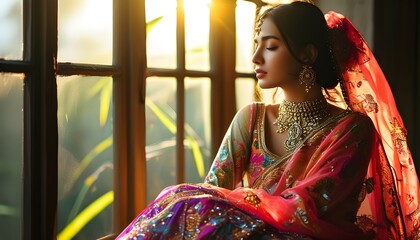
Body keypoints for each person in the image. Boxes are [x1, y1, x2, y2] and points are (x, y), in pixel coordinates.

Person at [116, 2, 419, 239]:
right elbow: (211, 191)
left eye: (271, 46)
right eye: (257, 44)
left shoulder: (351, 129)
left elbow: (312, 207)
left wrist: (239, 213)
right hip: (248, 230)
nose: (255, 58)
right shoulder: (251, 118)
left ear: (308, 54)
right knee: (184, 201)